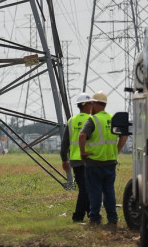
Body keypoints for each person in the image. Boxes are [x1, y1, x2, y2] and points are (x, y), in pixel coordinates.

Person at [77, 91, 128, 226]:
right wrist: (116, 150)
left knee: (95, 191)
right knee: (109, 191)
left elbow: (82, 136)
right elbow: (124, 136)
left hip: (94, 162)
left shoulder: (93, 119)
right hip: (110, 162)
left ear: (95, 104)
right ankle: (112, 219)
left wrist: (82, 153)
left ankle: (94, 218)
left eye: (91, 103)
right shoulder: (113, 118)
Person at [60, 92, 93, 222]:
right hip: (88, 159)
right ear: (86, 104)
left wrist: (64, 159)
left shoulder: (71, 121)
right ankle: (79, 216)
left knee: (85, 188)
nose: (92, 105)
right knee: (86, 189)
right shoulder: (92, 120)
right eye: (91, 103)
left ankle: (90, 214)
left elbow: (65, 143)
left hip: (75, 161)